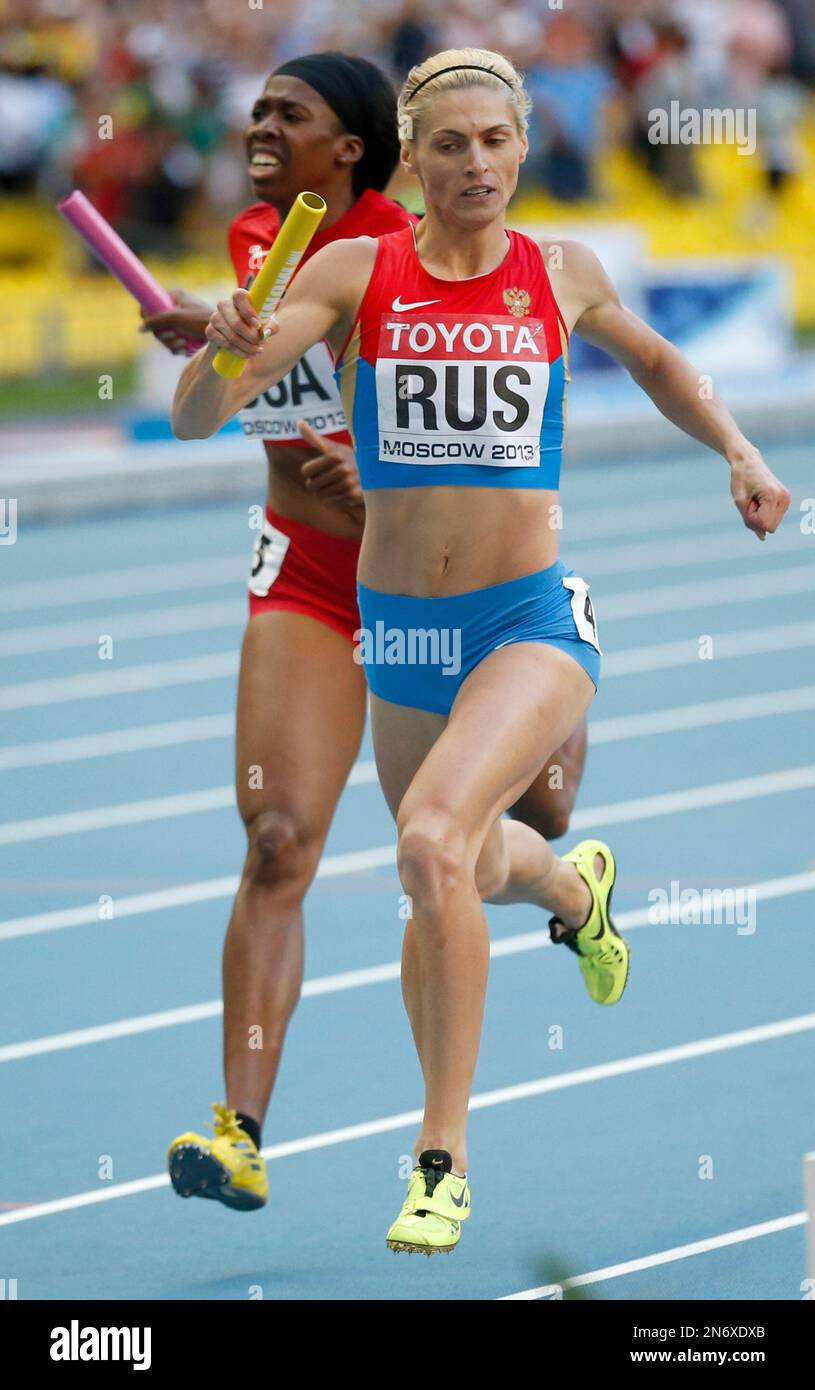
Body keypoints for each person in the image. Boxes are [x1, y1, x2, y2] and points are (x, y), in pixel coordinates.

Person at [171, 46, 791, 1253]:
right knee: (451, 863)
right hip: (399, 627)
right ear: (411, 157)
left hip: (527, 619)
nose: (474, 164)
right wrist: (224, 342)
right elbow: (201, 411)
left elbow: (658, 361)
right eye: (447, 144)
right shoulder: (354, 269)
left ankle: (439, 1156)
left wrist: (741, 452)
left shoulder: (559, 271)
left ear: (521, 150)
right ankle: (573, 886)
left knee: (425, 841)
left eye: (494, 143)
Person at [151, 49, 587, 1218]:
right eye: (254, 109)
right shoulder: (265, 241)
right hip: (309, 576)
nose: (257, 126)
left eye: (284, 115)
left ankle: (567, 889)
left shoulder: (424, 234)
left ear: (356, 147)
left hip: (463, 596)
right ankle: (241, 1129)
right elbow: (224, 387)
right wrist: (214, 343)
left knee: (521, 824)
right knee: (282, 835)